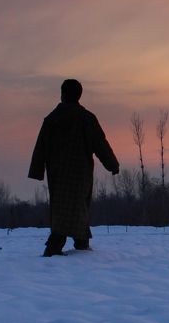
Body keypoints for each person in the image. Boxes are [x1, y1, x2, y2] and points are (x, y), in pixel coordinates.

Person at [28, 79, 119, 256]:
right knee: (78, 208)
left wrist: (37, 171)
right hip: (80, 175)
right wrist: (112, 165)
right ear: (79, 95)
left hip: (57, 174)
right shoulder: (86, 118)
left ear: (62, 94)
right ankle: (62, 246)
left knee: (64, 208)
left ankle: (79, 245)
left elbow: (40, 148)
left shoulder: (52, 119)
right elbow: (100, 144)